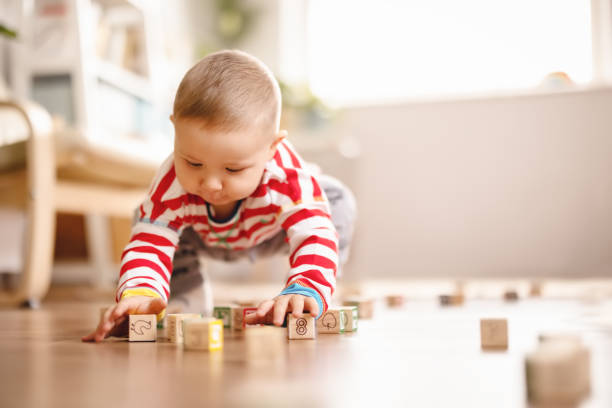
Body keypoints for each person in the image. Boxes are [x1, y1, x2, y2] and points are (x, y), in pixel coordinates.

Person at [83, 50, 356, 342]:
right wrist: (139, 291)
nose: (211, 184)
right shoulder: (171, 182)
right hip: (200, 235)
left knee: (336, 199)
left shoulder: (288, 177)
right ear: (175, 130)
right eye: (194, 163)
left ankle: (315, 290)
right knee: (146, 218)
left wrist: (306, 285)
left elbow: (314, 232)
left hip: (271, 232)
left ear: (271, 149)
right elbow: (150, 244)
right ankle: (184, 298)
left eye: (233, 169)